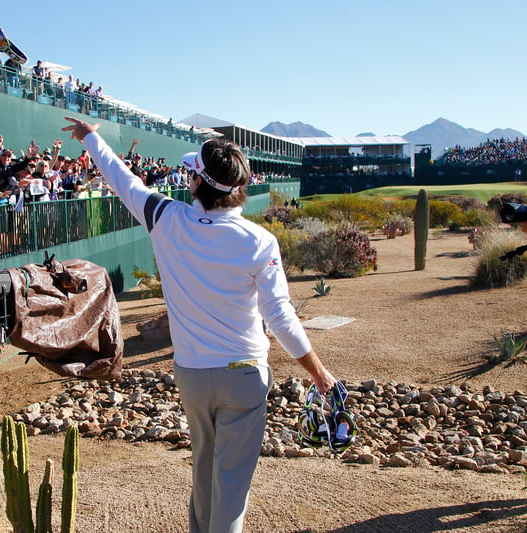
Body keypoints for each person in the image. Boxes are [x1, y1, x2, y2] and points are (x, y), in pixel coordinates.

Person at [62, 116, 337, 533]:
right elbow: (279, 315)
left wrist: (91, 139)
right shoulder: (259, 241)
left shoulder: (165, 217)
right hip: (244, 375)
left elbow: (122, 179)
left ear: (197, 183)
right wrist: (318, 372)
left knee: (204, 472)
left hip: (192, 374)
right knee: (231, 486)